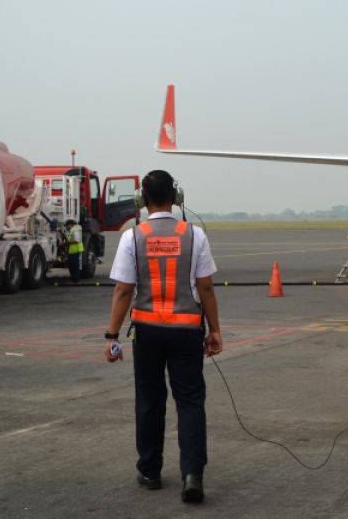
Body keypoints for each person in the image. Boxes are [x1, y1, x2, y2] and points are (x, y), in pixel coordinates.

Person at [104, 169, 222, 505]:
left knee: (149, 400)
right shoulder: (194, 235)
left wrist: (112, 335)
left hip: (148, 333)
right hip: (187, 332)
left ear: (141, 200)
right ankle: (192, 474)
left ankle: (150, 470)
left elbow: (124, 290)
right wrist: (214, 330)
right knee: (189, 401)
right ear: (177, 197)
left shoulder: (133, 236)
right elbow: (206, 287)